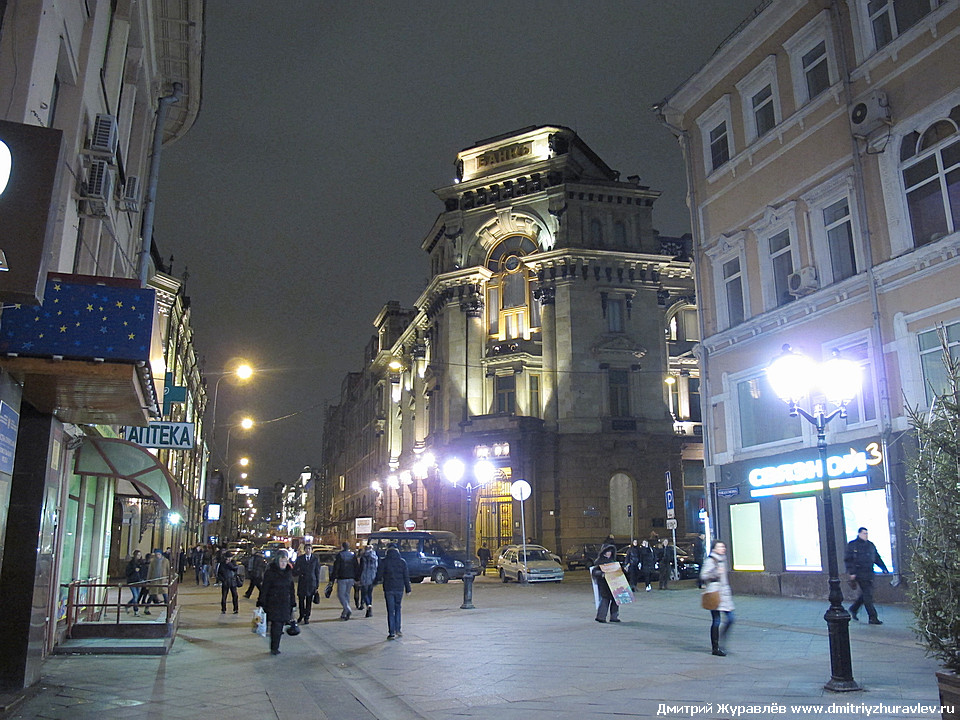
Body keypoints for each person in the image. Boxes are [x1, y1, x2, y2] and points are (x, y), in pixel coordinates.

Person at [844, 527, 889, 625]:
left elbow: (877, 557)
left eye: (867, 533)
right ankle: (873, 617)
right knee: (868, 595)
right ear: (859, 534)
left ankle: (853, 609)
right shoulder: (853, 545)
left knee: (866, 594)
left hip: (869, 573)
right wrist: (852, 573)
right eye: (864, 533)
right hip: (859, 573)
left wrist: (884, 568)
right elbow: (848, 560)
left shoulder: (870, 545)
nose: (866, 535)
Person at [257, 549, 296, 655]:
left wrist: (293, 603)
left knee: (280, 625)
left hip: (285, 603)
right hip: (273, 603)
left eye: (285, 561)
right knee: (276, 625)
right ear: (277, 561)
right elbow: (265, 588)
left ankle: (275, 645)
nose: (283, 564)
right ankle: (274, 647)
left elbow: (291, 589)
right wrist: (261, 602)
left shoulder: (288, 572)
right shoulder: (270, 573)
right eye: (281, 561)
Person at [700, 540, 734, 656]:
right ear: (714, 549)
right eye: (720, 547)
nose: (722, 548)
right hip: (714, 593)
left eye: (723, 546)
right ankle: (716, 647)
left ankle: (721, 641)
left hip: (724, 593)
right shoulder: (711, 560)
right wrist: (715, 573)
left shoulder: (723, 559)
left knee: (731, 618)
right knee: (716, 620)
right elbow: (703, 575)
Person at [374, 545, 412, 639]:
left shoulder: (384, 562)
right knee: (398, 608)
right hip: (399, 588)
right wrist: (408, 589)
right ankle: (398, 630)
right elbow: (406, 576)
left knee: (390, 611)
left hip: (388, 588)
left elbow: (379, 575)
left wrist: (374, 583)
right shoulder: (402, 562)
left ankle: (391, 633)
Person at [591, 544, 621, 623]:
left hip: (614, 583)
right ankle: (601, 617)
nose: (609, 553)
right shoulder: (599, 561)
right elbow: (594, 572)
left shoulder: (613, 561)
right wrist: (602, 574)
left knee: (615, 600)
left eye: (610, 552)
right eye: (608, 551)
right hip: (604, 584)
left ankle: (614, 617)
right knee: (605, 600)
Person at [293, 544, 321, 624]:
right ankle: (301, 615)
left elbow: (317, 572)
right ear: (304, 550)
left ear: (311, 550)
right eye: (306, 549)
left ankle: (307, 617)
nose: (308, 550)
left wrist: (317, 584)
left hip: (311, 582)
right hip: (302, 582)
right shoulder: (300, 559)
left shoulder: (315, 559)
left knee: (309, 601)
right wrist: (299, 573)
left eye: (309, 549)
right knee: (301, 600)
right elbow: (295, 570)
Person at [331, 541, 360, 620]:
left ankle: (347, 609)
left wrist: (333, 578)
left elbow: (336, 567)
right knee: (346, 595)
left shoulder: (340, 555)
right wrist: (357, 578)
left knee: (340, 595)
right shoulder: (353, 555)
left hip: (342, 578)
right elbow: (356, 567)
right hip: (351, 578)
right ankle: (345, 613)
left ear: (342, 547)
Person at [143, 548, 171, 615]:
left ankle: (168, 610)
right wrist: (148, 580)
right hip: (154, 581)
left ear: (161, 554)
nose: (157, 556)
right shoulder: (153, 561)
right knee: (152, 595)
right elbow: (150, 571)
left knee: (165, 595)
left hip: (162, 581)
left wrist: (168, 578)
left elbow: (168, 570)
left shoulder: (166, 561)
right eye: (156, 554)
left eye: (159, 554)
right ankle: (146, 609)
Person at [358, 543, 379, 617]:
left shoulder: (363, 557)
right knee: (369, 593)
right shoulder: (375, 557)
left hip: (364, 577)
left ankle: (368, 606)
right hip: (372, 576)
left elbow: (361, 568)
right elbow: (377, 567)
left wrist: (358, 578)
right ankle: (369, 605)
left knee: (364, 593)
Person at [124, 549, 146, 615]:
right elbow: (127, 573)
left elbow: (143, 572)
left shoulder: (142, 563)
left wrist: (143, 579)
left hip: (139, 582)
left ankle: (127, 605)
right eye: (138, 555)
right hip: (132, 581)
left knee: (136, 596)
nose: (139, 556)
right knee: (136, 596)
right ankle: (136, 610)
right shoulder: (131, 563)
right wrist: (134, 570)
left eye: (140, 555)